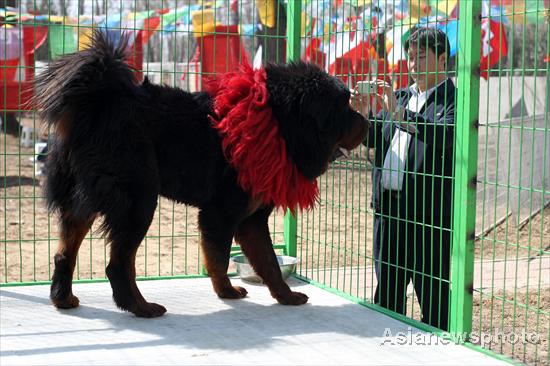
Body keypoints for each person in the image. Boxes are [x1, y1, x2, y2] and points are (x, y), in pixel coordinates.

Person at [352, 27, 456, 331]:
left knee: (434, 296)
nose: (413, 63)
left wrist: (400, 114)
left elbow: (446, 135)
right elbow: (372, 138)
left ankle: (440, 349)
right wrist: (358, 114)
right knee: (387, 295)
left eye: (421, 56)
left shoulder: (453, 99)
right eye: (410, 57)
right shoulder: (399, 96)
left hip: (428, 215)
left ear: (441, 58)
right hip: (389, 211)